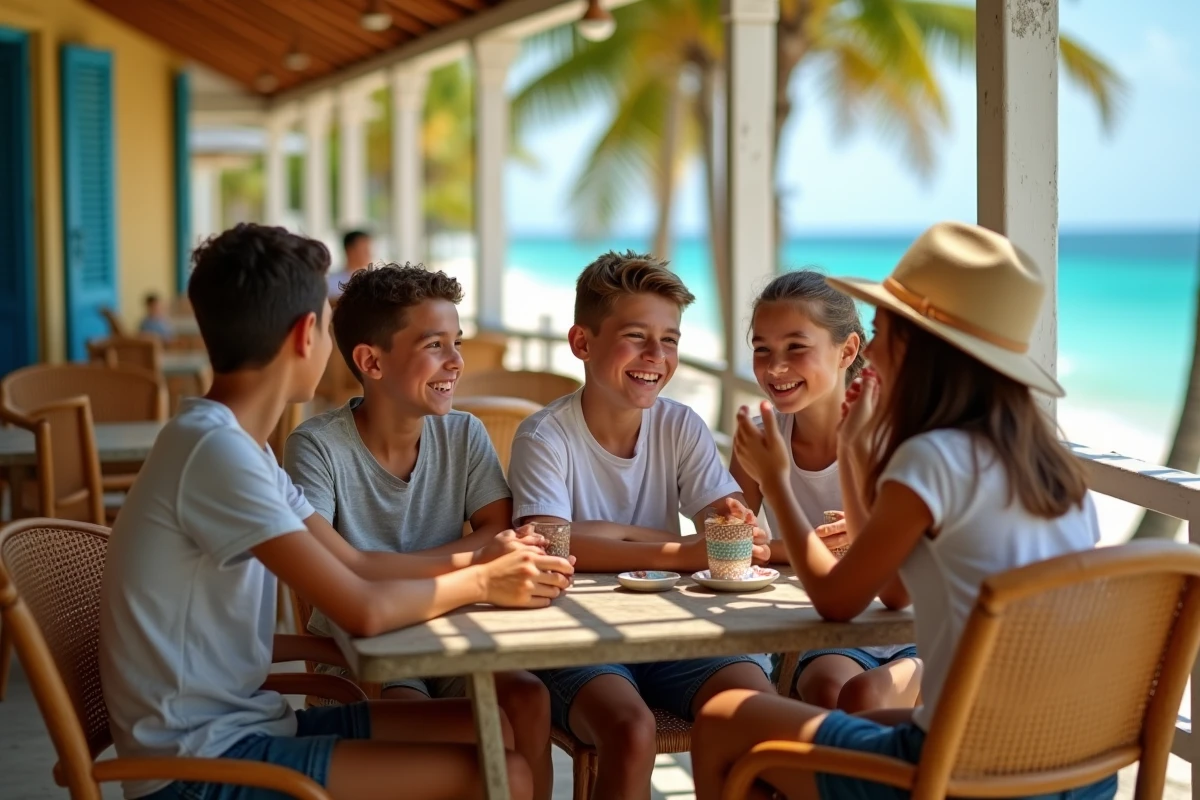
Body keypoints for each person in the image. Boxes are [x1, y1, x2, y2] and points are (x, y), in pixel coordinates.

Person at [99, 223, 572, 800]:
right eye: (327, 326)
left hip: (249, 725)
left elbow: (356, 564)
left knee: (497, 727)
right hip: (198, 765)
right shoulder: (217, 452)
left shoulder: (234, 443)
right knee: (507, 776)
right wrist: (481, 580)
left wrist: (485, 570)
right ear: (305, 336)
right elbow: (363, 610)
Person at [690, 221, 1114, 800]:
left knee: (723, 718)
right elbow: (894, 592)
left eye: (883, 330)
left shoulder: (932, 459)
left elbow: (839, 603)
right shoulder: (1056, 471)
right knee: (841, 723)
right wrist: (861, 459)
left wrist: (778, 483)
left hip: (972, 768)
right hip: (1080, 764)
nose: (873, 350)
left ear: (914, 346)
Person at [507, 250, 777, 800]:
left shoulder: (679, 424)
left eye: (671, 339)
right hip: (575, 638)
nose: (657, 355)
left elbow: (725, 530)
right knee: (631, 732)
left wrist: (735, 526)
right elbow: (551, 546)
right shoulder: (544, 436)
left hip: (676, 630)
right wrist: (678, 550)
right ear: (582, 343)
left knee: (753, 713)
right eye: (636, 336)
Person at [286, 262, 557, 800]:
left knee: (527, 700)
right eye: (435, 345)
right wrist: (476, 564)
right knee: (417, 715)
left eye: (456, 342)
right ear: (371, 361)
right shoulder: (316, 447)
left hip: (458, 633)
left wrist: (473, 561)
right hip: (364, 649)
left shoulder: (464, 434)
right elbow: (341, 567)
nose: (457, 362)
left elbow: (498, 532)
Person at [732, 270, 920, 714]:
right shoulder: (759, 441)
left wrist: (850, 547)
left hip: (917, 627)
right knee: (830, 686)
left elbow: (906, 569)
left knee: (865, 698)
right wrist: (823, 547)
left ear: (848, 350)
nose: (775, 367)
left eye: (796, 348)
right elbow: (731, 548)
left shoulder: (897, 437)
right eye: (762, 350)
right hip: (829, 632)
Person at [327, 230, 373, 298]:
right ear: (349, 250)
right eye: (364, 250)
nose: (369, 253)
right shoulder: (332, 282)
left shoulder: (374, 281)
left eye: (369, 249)